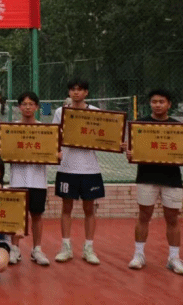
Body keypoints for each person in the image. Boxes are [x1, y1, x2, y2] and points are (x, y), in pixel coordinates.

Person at [126, 89, 183, 275]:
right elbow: (132, 153)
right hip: (146, 177)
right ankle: (139, 255)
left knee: (173, 218)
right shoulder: (140, 125)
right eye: (154, 101)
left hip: (172, 179)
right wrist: (130, 154)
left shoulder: (179, 127)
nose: (158, 105)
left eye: (161, 101)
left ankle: (174, 258)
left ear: (169, 104)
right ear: (150, 104)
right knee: (144, 216)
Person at [0, 92, 51, 266]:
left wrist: (56, 154)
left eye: (31, 104)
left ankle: (37, 249)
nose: (27, 107)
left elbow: (52, 151)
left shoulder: (46, 130)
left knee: (37, 215)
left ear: (37, 107)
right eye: (24, 104)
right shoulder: (11, 129)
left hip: (38, 180)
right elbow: (3, 151)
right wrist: (0, 151)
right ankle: (15, 248)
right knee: (16, 216)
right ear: (19, 107)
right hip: (17, 180)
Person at [53, 79, 104, 265]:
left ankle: (89, 248)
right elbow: (54, 137)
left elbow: (105, 136)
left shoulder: (96, 112)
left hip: (90, 169)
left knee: (89, 209)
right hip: (67, 168)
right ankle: (65, 247)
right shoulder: (60, 112)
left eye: (80, 89)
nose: (76, 92)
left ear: (86, 92)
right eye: (73, 89)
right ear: (69, 92)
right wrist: (55, 151)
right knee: (66, 208)